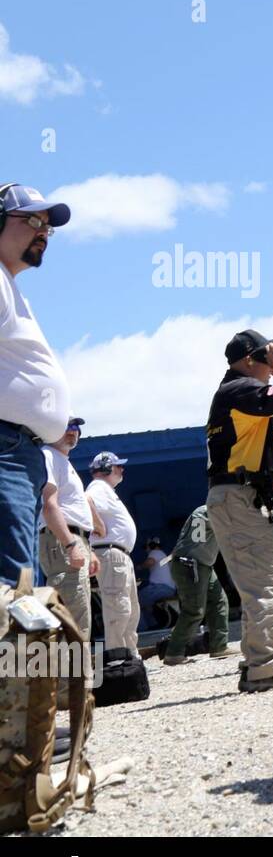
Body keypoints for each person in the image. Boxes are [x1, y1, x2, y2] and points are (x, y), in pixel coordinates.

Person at [204, 330, 273, 692]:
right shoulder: (238, 389)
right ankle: (264, 669)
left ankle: (262, 659)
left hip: (243, 497)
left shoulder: (237, 395)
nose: (272, 364)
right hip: (239, 498)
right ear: (250, 360)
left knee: (267, 584)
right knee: (267, 586)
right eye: (267, 357)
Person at [0, 182, 72, 587]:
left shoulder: (9, 285)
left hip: (17, 450)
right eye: (31, 220)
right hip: (5, 449)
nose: (43, 231)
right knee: (12, 583)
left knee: (19, 582)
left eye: (47, 226)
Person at [37, 416, 101, 637]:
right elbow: (50, 506)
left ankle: (78, 671)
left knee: (79, 613)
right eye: (66, 426)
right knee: (72, 618)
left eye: (75, 427)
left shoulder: (63, 460)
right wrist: (71, 544)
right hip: (62, 541)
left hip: (73, 540)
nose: (72, 431)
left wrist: (87, 549)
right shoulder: (48, 455)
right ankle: (74, 672)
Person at [160, 505, 237, 666]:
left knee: (219, 601)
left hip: (202, 564)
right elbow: (198, 540)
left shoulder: (207, 511)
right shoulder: (207, 512)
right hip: (191, 564)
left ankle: (219, 646)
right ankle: (174, 652)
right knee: (194, 610)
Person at [85, 451, 141, 654]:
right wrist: (98, 525)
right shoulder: (99, 486)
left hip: (118, 555)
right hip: (111, 554)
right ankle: (118, 658)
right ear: (106, 468)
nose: (121, 469)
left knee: (129, 610)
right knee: (119, 609)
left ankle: (129, 657)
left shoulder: (106, 489)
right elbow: (86, 501)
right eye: (118, 466)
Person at [136, 537, 177, 619]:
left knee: (135, 601)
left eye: (146, 547)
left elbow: (150, 562)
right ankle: (152, 624)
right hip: (170, 589)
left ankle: (142, 629)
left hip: (159, 588)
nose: (146, 550)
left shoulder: (155, 552)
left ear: (151, 546)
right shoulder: (163, 555)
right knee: (146, 604)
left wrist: (139, 567)